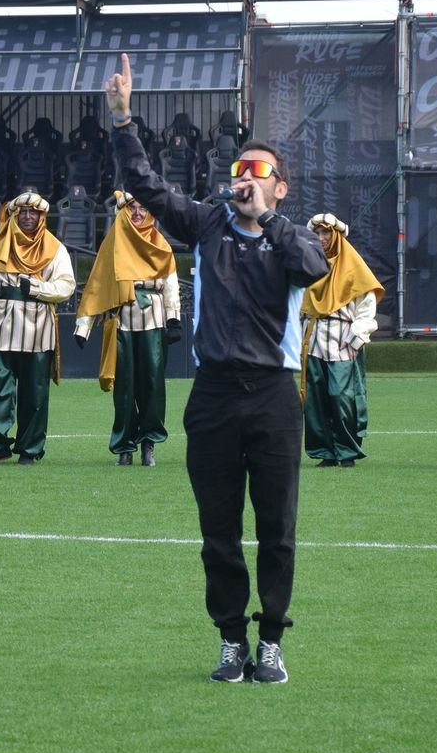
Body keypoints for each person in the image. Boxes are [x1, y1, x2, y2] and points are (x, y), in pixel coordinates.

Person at [105, 53, 329, 685]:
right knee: (218, 530)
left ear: (280, 187)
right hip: (213, 397)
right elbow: (148, 189)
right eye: (240, 173)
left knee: (277, 528)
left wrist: (267, 223)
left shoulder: (293, 239)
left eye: (260, 175)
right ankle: (231, 638)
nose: (246, 182)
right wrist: (123, 120)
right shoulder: (206, 224)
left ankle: (273, 640)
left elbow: (316, 271)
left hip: (274, 397)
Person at [74, 190, 182, 467]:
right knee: (124, 388)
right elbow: (97, 286)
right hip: (121, 322)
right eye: (132, 208)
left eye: (143, 208)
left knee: (152, 385)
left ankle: (149, 443)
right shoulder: (112, 245)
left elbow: (170, 284)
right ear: (123, 211)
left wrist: (174, 319)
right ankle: (124, 446)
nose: (137, 213)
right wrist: (83, 326)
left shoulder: (161, 245)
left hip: (154, 321)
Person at [0, 191, 76, 465]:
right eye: (23, 212)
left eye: (34, 213)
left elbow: (67, 285)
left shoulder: (55, 248)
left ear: (42, 216)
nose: (28, 217)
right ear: (14, 215)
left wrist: (39, 288)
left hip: (36, 328)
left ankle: (30, 449)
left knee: (35, 393)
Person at [300, 212, 384, 468]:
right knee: (317, 398)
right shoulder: (306, 261)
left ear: (336, 235)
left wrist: (357, 336)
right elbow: (296, 301)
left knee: (341, 396)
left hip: (342, 339)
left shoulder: (352, 266)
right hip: (313, 337)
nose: (322, 238)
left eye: (326, 233)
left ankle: (346, 450)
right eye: (317, 233)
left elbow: (366, 305)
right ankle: (325, 451)